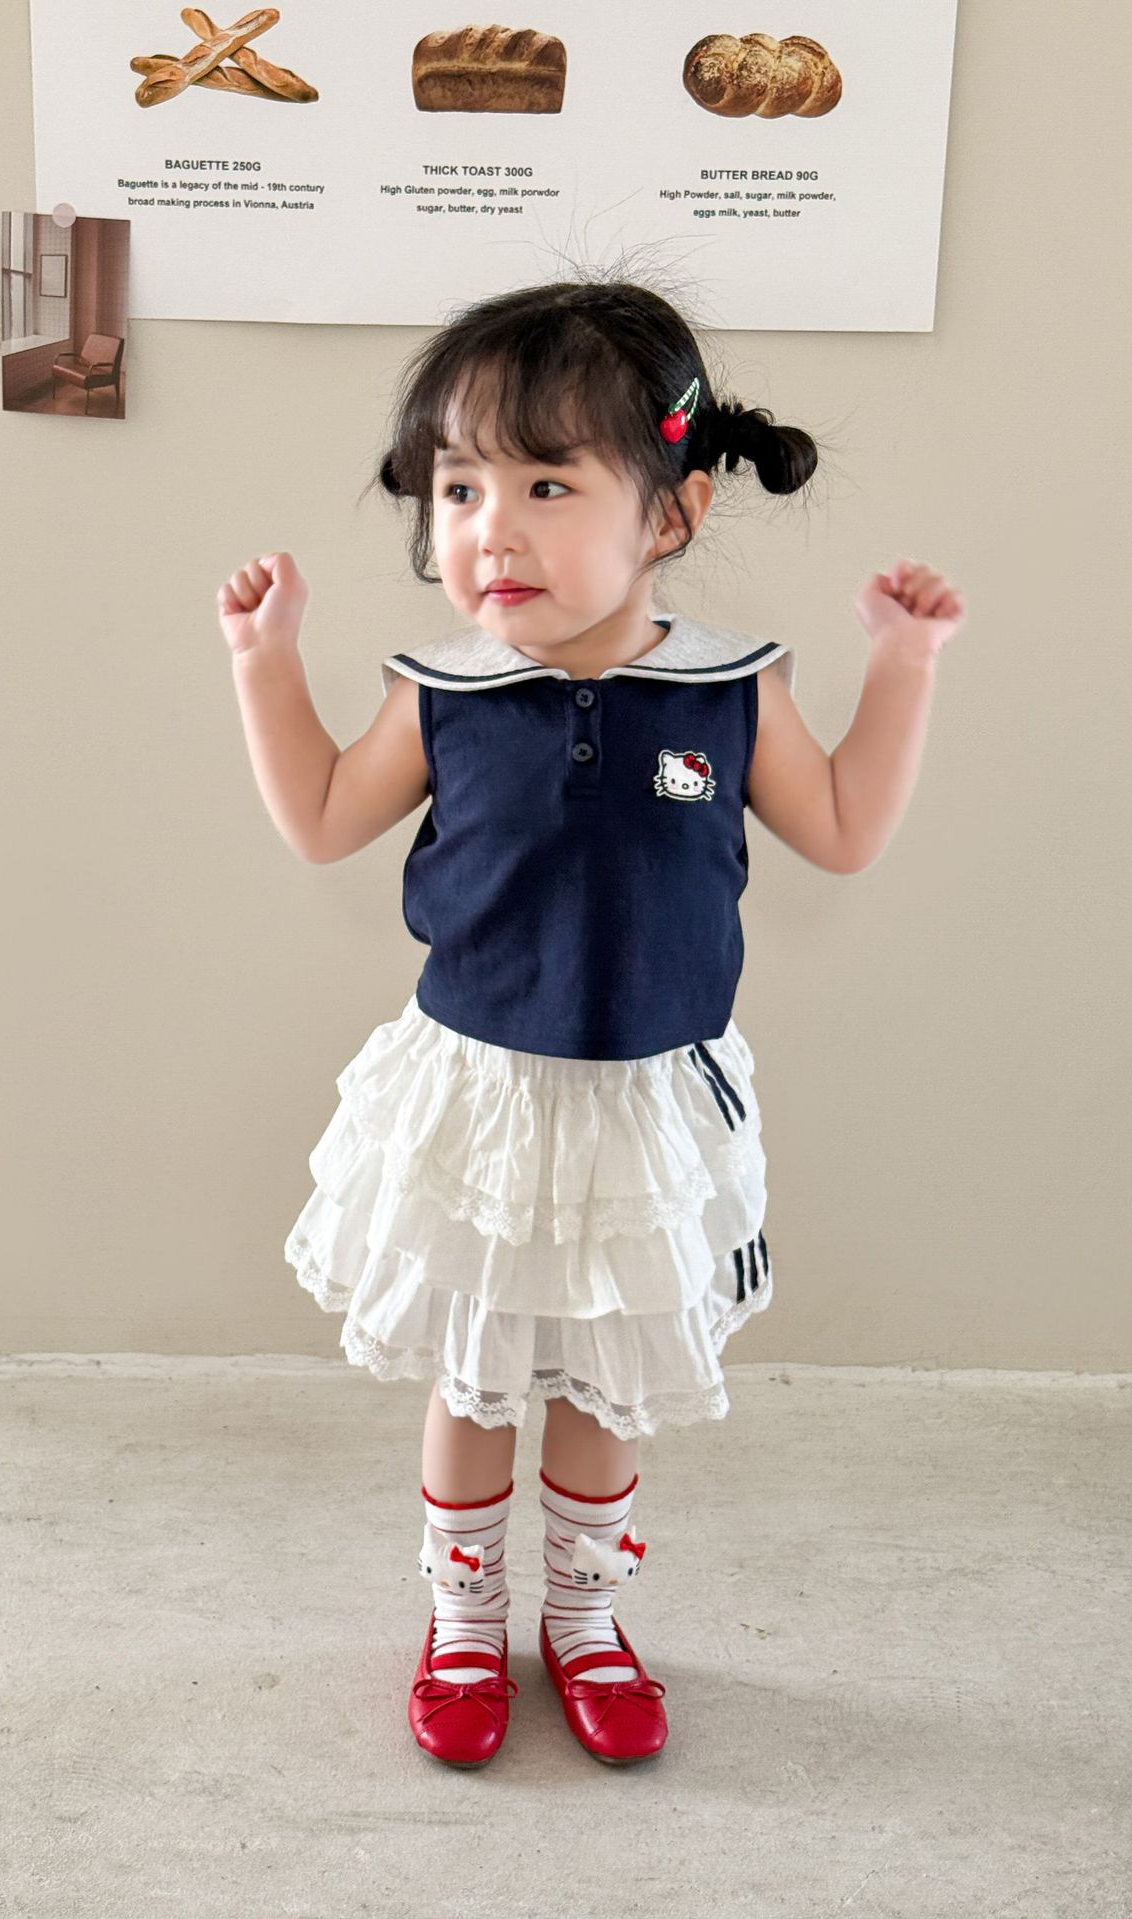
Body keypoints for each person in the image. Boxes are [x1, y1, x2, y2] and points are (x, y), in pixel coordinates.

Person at [218, 274, 966, 1771]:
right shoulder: (443, 694)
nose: (491, 529)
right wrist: (264, 665)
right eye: (460, 487)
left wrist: (903, 668)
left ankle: (587, 1616)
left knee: (608, 1380)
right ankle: (462, 1618)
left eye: (547, 485)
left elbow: (841, 830)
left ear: (670, 513)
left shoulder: (729, 692)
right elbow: (318, 819)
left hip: (644, 1102)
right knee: (476, 1371)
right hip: (481, 1104)